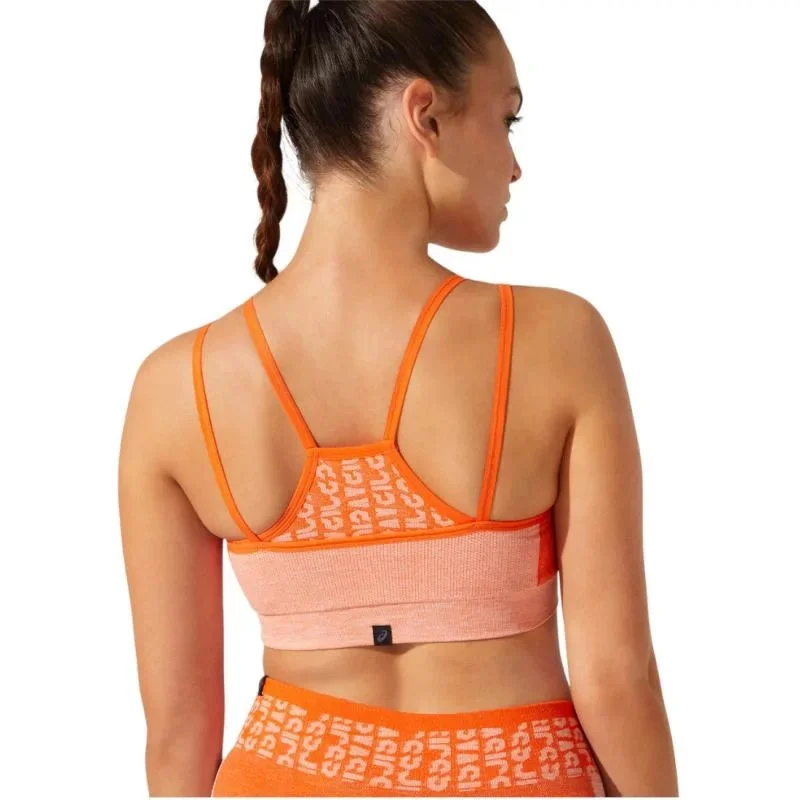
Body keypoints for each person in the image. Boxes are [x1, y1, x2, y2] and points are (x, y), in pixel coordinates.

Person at [119, 1, 678, 796]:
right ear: (426, 115)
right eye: (507, 119)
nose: (515, 166)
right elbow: (618, 678)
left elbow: (177, 734)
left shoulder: (176, 386)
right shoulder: (555, 340)